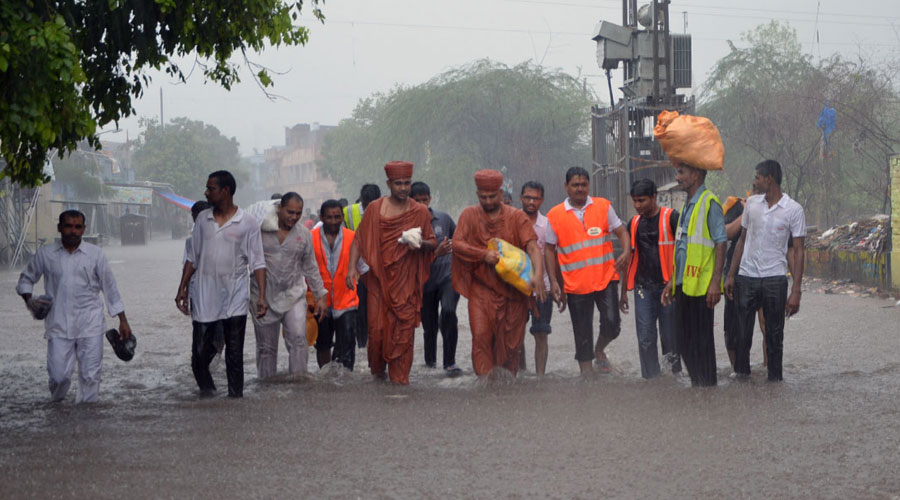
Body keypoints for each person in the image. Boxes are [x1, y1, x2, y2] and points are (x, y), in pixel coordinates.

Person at [17, 210, 132, 403]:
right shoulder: (46, 254)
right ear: (59, 228)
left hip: (91, 325)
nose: (73, 231)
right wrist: (30, 301)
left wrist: (123, 320)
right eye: (68, 226)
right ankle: (58, 413)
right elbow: (26, 279)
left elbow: (110, 289)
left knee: (90, 377)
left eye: (78, 227)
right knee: (58, 377)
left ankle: (86, 425)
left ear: (83, 229)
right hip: (58, 325)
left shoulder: (95, 255)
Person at [175, 170, 267, 398]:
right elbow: (193, 257)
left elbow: (257, 261)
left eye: (211, 188)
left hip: (235, 295)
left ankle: (234, 402)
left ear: (225, 191)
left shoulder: (247, 222)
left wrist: (262, 296)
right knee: (198, 355)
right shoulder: (202, 221)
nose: (206, 192)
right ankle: (209, 395)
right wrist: (182, 288)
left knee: (234, 354)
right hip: (205, 295)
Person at [346, 161, 436, 385]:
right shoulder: (375, 209)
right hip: (378, 280)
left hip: (406, 283)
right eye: (398, 184)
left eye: (407, 183)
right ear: (388, 184)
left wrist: (419, 242)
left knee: (403, 333)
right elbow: (359, 239)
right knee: (376, 333)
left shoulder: (420, 211)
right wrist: (350, 270)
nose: (403, 188)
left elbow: (432, 243)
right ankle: (378, 376)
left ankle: (400, 384)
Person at [452, 169, 547, 377]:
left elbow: (532, 247)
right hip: (481, 288)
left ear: (501, 192)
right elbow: (457, 244)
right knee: (481, 337)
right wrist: (482, 254)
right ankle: (485, 387)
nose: (487, 201)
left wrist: (538, 275)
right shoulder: (468, 215)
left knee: (512, 345)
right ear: (477, 194)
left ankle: (507, 390)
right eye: (483, 197)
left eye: (492, 196)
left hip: (512, 290)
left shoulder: (517, 216)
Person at [725, 160, 806, 382]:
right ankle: (741, 381)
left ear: (769, 179)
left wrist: (796, 290)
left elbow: (798, 251)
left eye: (757, 177)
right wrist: (732, 275)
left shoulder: (793, 209)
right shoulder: (751, 204)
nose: (754, 181)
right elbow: (742, 240)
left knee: (774, 336)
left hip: (774, 280)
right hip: (747, 277)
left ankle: (774, 383)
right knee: (742, 335)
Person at [544, 167, 630, 376]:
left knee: (612, 323)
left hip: (605, 278)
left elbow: (621, 231)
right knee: (582, 333)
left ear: (589, 186)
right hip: (575, 284)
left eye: (584, 184)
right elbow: (548, 248)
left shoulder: (602, 206)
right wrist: (554, 282)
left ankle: (599, 349)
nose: (580, 189)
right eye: (575, 185)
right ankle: (587, 381)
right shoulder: (554, 215)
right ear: (566, 187)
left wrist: (626, 251)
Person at [660, 163, 727, 387]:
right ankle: (699, 386)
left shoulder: (710, 202)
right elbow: (682, 247)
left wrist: (715, 282)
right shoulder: (689, 204)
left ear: (696, 175)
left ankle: (707, 388)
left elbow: (721, 242)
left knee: (702, 342)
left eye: (681, 173)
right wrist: (672, 281)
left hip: (702, 286)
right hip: (684, 284)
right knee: (683, 341)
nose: (677, 177)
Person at [251, 192, 328, 378]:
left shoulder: (303, 234)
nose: (294, 217)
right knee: (266, 347)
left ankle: (299, 383)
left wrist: (320, 296)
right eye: (290, 212)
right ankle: (266, 385)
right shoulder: (260, 230)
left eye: (298, 213)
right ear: (279, 208)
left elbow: (310, 266)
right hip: (263, 296)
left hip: (294, 294)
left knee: (299, 339)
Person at [619, 179, 680, 379]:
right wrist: (623, 292)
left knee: (670, 336)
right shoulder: (634, 223)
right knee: (645, 337)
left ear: (654, 197)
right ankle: (651, 379)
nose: (637, 206)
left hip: (667, 288)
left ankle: (673, 377)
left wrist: (674, 281)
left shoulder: (671, 218)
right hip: (642, 288)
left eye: (642, 201)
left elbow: (684, 251)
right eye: (635, 201)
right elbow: (629, 257)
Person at [410, 181, 462, 377]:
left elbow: (459, 241)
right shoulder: (409, 227)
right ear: (411, 202)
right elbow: (410, 255)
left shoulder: (444, 219)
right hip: (424, 281)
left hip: (448, 277)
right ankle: (430, 364)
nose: (422, 204)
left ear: (430, 199)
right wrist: (436, 252)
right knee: (429, 326)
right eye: (418, 201)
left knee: (449, 312)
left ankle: (450, 362)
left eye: (425, 200)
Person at [312, 199, 366, 370]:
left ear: (342, 217)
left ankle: (346, 382)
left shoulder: (353, 238)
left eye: (337, 217)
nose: (333, 221)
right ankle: (326, 378)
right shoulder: (310, 238)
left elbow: (364, 269)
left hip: (347, 302)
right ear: (322, 217)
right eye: (329, 217)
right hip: (320, 302)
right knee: (323, 345)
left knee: (348, 343)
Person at [520, 181, 553, 376]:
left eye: (536, 198)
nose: (531, 202)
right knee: (517, 334)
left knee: (541, 332)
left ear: (542, 200)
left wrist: (557, 285)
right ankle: (522, 373)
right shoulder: (511, 221)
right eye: (528, 197)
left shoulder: (547, 225)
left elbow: (551, 255)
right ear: (521, 198)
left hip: (543, 287)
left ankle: (540, 377)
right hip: (517, 288)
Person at [344, 183, 381, 350]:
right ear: (363, 201)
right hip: (356, 270)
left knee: (375, 309)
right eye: (368, 204)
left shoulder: (386, 211)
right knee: (360, 310)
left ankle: (372, 344)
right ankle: (361, 345)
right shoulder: (349, 212)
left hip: (378, 270)